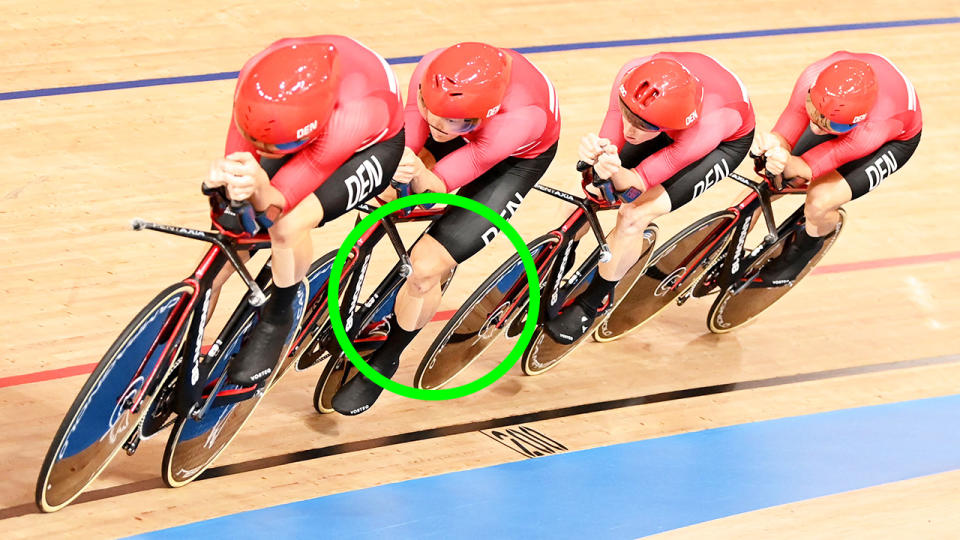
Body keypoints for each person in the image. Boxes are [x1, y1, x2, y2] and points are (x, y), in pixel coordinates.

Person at [331, 41, 561, 415]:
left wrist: (420, 173)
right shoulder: (430, 73)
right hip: (465, 118)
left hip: (512, 159)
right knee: (382, 189)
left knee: (423, 270)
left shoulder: (519, 119)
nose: (440, 129)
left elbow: (437, 188)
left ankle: (386, 358)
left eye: (455, 123)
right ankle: (346, 283)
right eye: (432, 113)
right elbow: (408, 140)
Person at [203, 35, 405, 385]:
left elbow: (279, 202)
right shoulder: (257, 81)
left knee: (287, 226)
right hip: (296, 118)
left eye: (279, 147)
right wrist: (229, 186)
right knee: (236, 224)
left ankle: (277, 316)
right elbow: (242, 157)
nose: (268, 150)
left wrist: (260, 190)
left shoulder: (353, 117)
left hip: (371, 145)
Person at [544, 52, 755, 344]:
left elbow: (634, 187)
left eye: (641, 125)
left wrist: (615, 173)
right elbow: (609, 151)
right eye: (627, 116)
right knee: (590, 191)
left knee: (633, 215)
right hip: (665, 114)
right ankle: (559, 261)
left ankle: (595, 300)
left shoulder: (704, 130)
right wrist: (597, 161)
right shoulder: (630, 77)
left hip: (723, 142)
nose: (629, 129)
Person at [751, 51, 921, 286]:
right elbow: (784, 136)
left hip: (895, 140)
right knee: (767, 183)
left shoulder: (870, 130)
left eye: (833, 125)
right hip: (843, 110)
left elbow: (807, 168)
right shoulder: (812, 79)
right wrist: (773, 146)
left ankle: (807, 245)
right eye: (813, 111)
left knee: (819, 201)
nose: (819, 128)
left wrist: (786, 161)